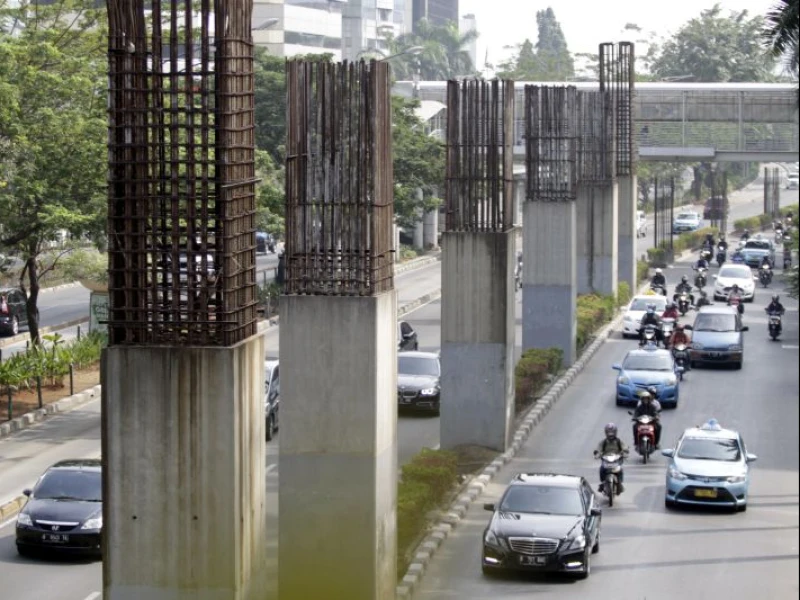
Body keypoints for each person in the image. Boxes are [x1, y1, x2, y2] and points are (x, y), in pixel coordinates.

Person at [594, 423, 629, 494]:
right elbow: (599, 448)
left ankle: (620, 483)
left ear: (615, 432)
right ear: (606, 432)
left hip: (616, 459)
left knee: (620, 470)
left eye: (612, 432)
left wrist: (625, 451)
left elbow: (624, 447)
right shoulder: (604, 442)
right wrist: (597, 453)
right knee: (601, 469)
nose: (610, 434)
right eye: (609, 432)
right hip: (606, 460)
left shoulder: (618, 441)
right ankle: (603, 482)